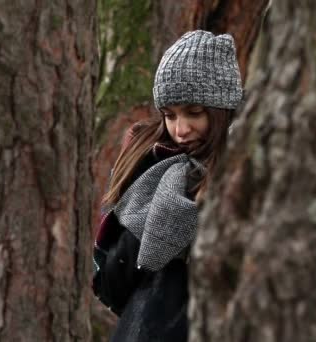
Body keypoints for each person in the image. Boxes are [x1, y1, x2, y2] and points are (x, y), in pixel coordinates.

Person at [92, 30, 243, 341]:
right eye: (169, 116)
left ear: (222, 109)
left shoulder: (245, 160)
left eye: (194, 113)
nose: (181, 129)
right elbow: (113, 278)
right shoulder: (146, 158)